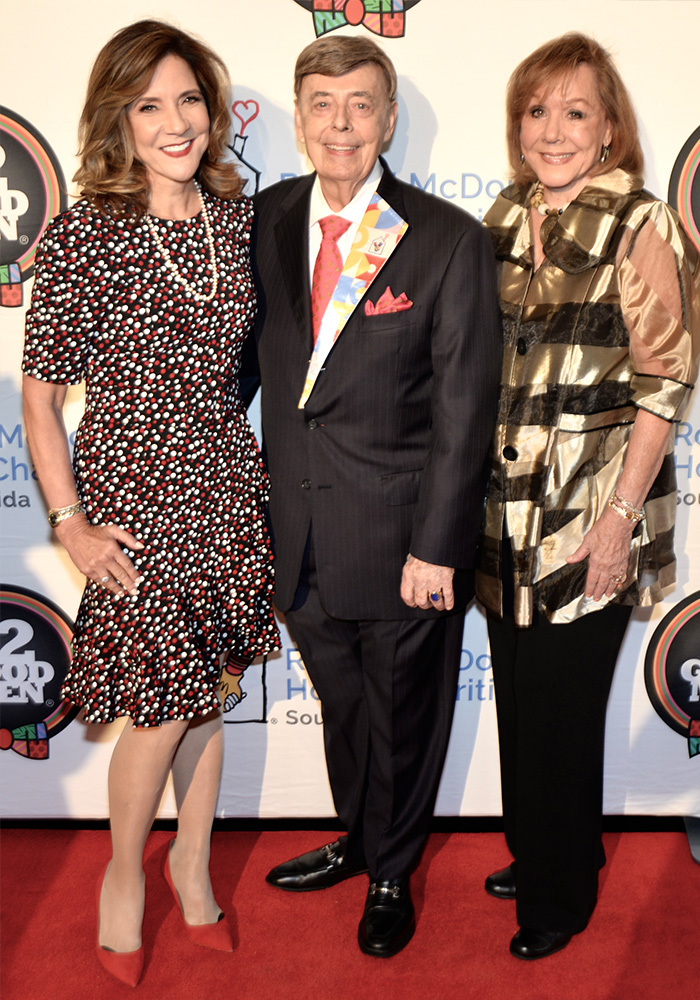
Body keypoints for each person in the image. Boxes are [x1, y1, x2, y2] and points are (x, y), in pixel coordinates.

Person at [22, 20, 279, 987]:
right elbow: (40, 399)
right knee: (162, 709)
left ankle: (192, 862)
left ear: (211, 111)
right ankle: (124, 873)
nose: (174, 122)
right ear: (117, 121)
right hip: (136, 498)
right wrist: (69, 521)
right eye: (149, 105)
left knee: (209, 697)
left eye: (188, 100)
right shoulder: (87, 231)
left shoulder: (237, 218)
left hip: (226, 486)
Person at [244, 35, 502, 958]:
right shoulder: (265, 220)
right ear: (301, 116)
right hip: (297, 534)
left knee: (402, 719)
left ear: (389, 120)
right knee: (346, 711)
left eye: (361, 104)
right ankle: (359, 837)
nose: (340, 123)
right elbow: (237, 374)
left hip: (403, 544)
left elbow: (466, 411)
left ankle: (391, 873)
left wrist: (438, 546)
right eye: (322, 103)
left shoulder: (444, 239)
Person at [477, 32, 700, 960]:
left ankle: (561, 893)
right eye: (537, 110)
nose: (553, 130)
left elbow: (665, 381)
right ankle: (537, 849)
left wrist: (615, 521)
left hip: (588, 510)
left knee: (564, 709)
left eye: (575, 111)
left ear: (610, 129)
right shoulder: (500, 216)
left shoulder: (639, 224)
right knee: (523, 699)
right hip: (500, 512)